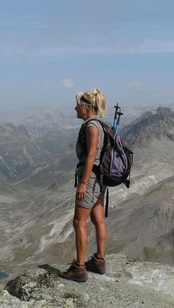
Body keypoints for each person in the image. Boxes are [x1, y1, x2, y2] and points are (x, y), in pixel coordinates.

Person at [61, 88, 107, 282]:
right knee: (98, 220)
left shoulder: (91, 127)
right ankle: (99, 260)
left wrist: (83, 183)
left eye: (78, 105)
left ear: (87, 106)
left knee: (79, 222)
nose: (75, 109)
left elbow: (90, 156)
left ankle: (79, 267)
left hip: (90, 180)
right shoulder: (100, 125)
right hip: (100, 179)